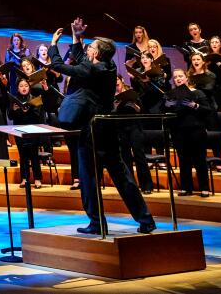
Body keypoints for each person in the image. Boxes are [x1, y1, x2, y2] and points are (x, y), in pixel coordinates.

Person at [47, 19, 156, 235]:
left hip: (91, 131)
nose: (88, 49)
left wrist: (53, 45)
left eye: (91, 47)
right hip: (107, 129)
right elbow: (81, 59)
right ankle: (146, 219)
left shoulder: (90, 70)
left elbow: (60, 66)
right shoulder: (108, 66)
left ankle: (96, 222)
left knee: (88, 178)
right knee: (122, 177)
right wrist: (77, 36)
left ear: (96, 54)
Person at [165, 68, 211, 197]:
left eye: (180, 76)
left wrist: (195, 106)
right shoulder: (171, 95)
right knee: (184, 160)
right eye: (175, 77)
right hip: (179, 131)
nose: (178, 79)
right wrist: (168, 106)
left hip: (196, 130)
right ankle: (186, 187)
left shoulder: (197, 93)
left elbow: (208, 110)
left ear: (186, 78)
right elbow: (166, 115)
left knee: (199, 160)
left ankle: (204, 187)